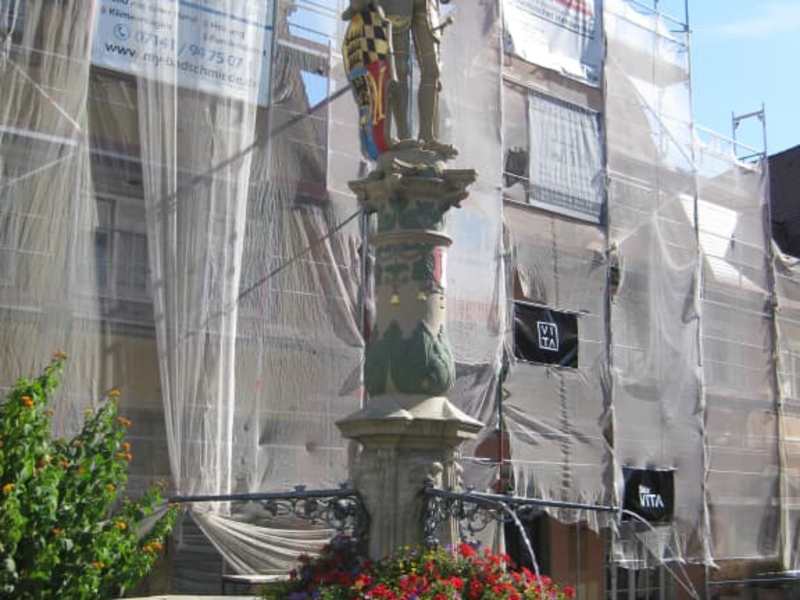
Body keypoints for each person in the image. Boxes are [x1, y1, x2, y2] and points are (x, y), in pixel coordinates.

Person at [343, 0, 451, 153]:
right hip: (396, 6)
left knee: (432, 70)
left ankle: (428, 137)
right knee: (398, 70)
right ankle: (404, 135)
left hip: (427, 6)